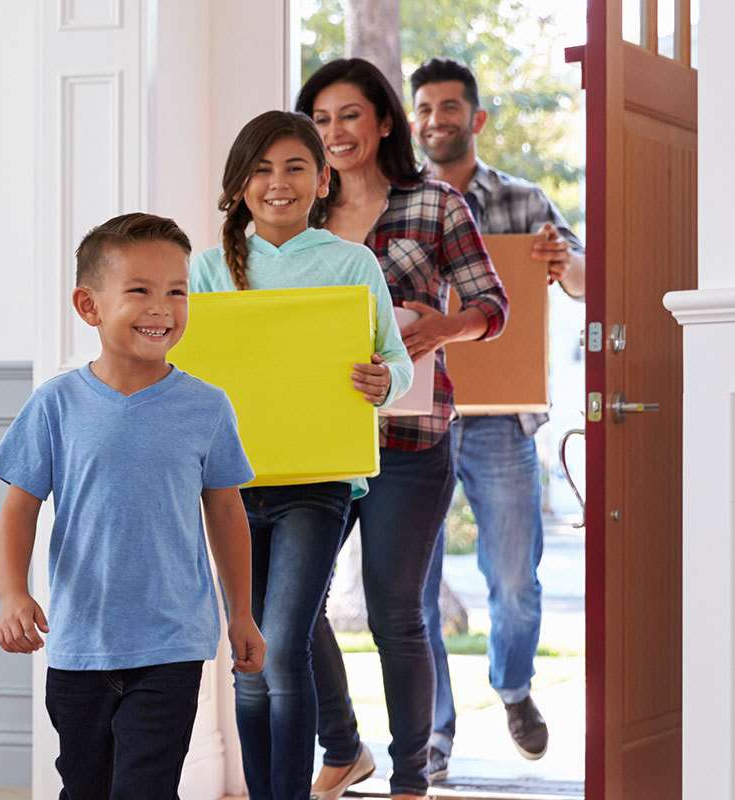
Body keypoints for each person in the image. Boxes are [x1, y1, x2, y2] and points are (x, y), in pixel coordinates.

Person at [0, 212, 264, 799]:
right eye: (140, 290)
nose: (162, 308)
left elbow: (226, 514)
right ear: (88, 305)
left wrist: (240, 613)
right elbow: (19, 507)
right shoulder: (56, 404)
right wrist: (13, 593)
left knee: (146, 788)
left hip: (173, 641)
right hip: (79, 644)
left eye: (177, 292)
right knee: (85, 787)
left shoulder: (207, 407)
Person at [297, 57, 511, 800]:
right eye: (321, 120)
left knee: (396, 614)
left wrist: (442, 328)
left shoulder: (436, 203)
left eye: (349, 115)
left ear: (385, 120)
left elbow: (493, 307)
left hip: (411, 441)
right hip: (319, 440)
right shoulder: (301, 216)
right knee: (292, 606)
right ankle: (343, 747)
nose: (335, 132)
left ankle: (411, 780)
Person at [192, 110, 415, 800]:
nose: (278, 183)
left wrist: (383, 380)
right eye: (261, 169)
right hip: (230, 489)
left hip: (319, 482)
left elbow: (398, 363)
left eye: (294, 167)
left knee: (283, 648)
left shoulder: (352, 263)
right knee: (250, 657)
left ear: (323, 181)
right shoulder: (206, 269)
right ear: (240, 184)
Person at [407, 56, 587, 780]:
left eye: (450, 107)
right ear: (413, 120)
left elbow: (584, 282)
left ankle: (513, 688)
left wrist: (559, 259)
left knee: (514, 579)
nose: (436, 120)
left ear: (475, 118)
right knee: (413, 588)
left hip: (500, 418)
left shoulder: (521, 199)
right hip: (417, 417)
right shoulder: (397, 204)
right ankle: (432, 730)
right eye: (425, 108)